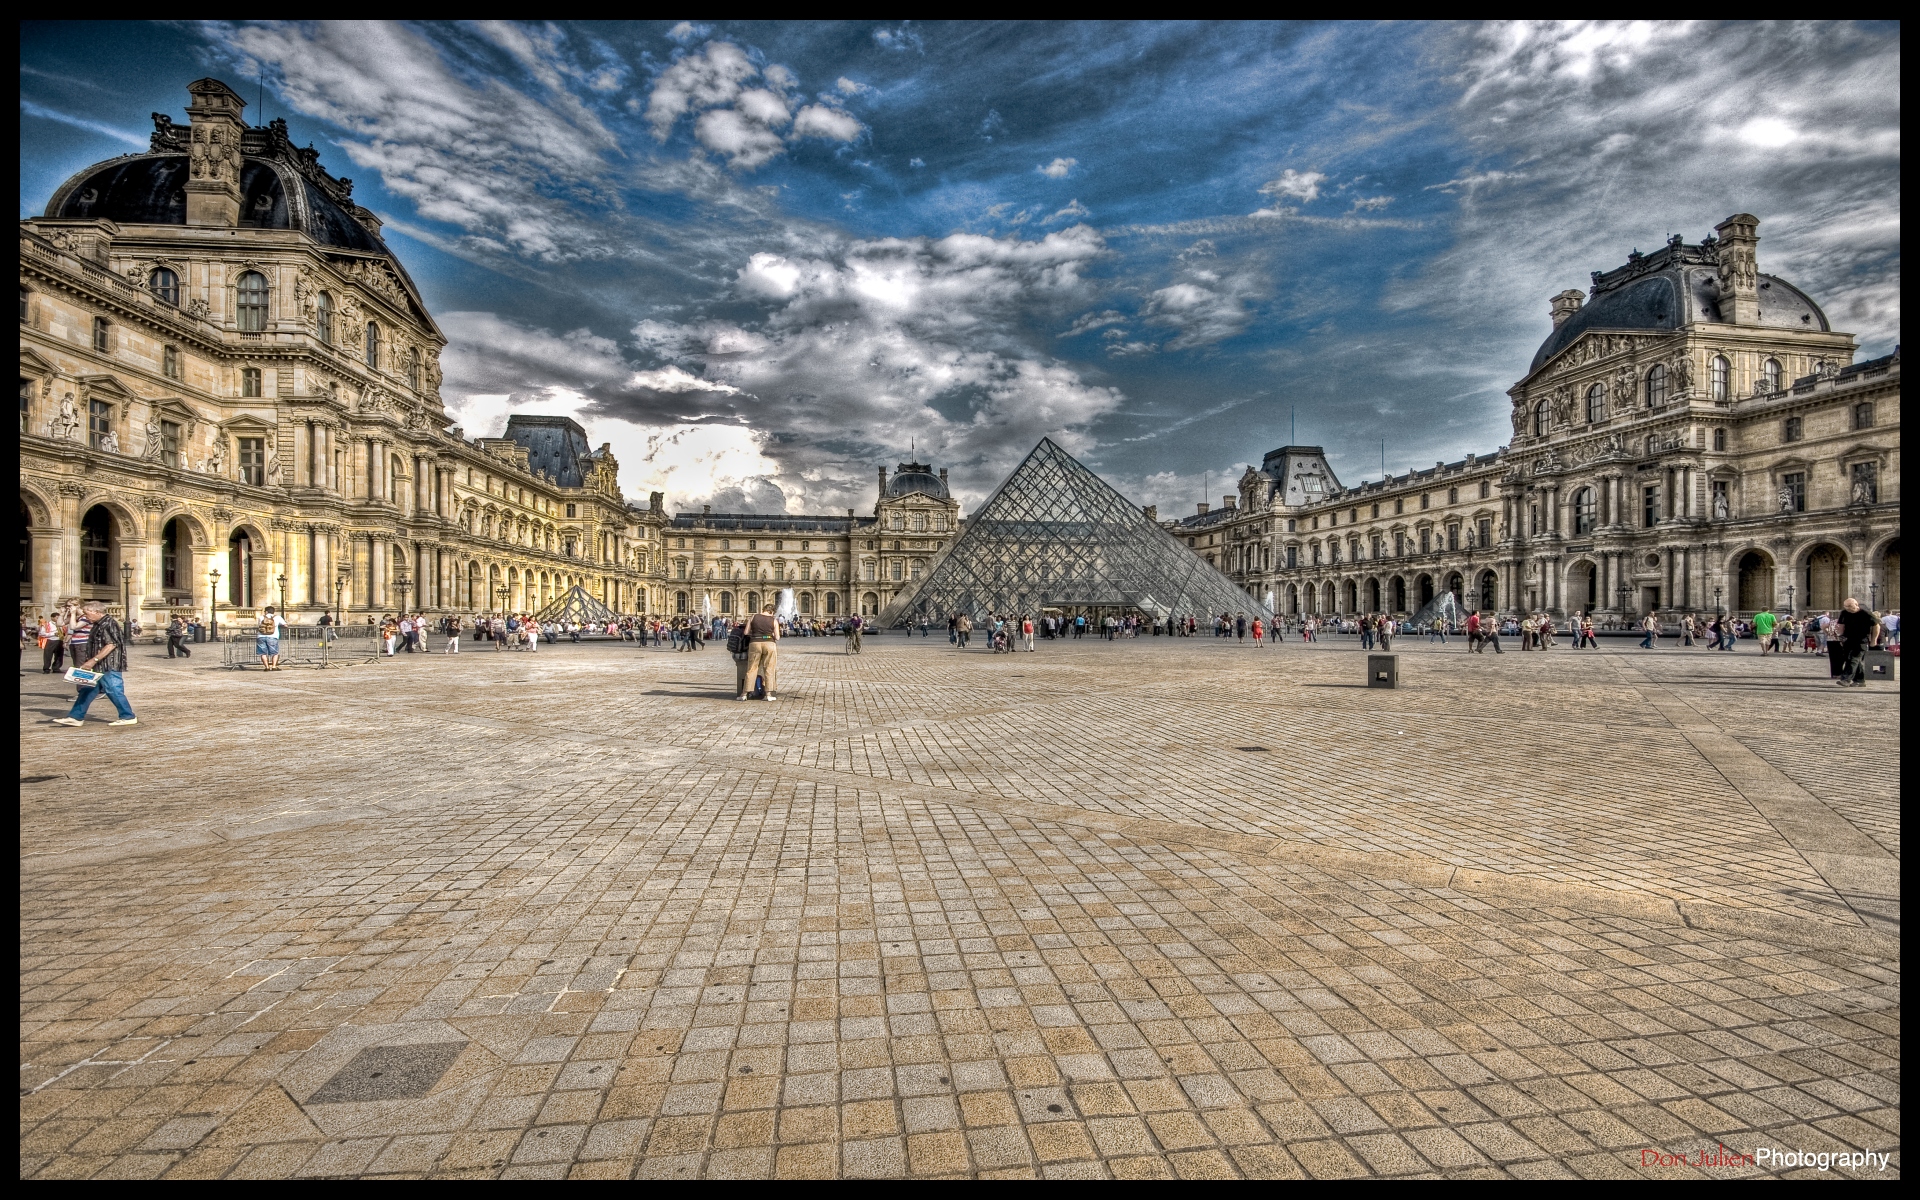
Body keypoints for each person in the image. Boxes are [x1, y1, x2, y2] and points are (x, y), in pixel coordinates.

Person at [52, 600, 136, 726]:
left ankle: (128, 716)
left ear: (96, 612)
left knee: (113, 690)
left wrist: (93, 660)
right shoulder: (97, 623)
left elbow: (111, 644)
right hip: (98, 664)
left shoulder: (108, 623)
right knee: (87, 690)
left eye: (87, 613)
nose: (85, 616)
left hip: (109, 663)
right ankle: (76, 717)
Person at [738, 602, 780, 702]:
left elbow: (746, 632)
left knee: (752, 668)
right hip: (769, 644)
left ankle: (744, 694)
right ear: (772, 611)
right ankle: (768, 695)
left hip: (755, 643)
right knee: (769, 668)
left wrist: (756, 633)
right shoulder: (773, 620)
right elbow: (777, 637)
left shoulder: (753, 617)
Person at [1835, 597, 1877, 687]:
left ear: (1856, 604)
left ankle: (1846, 679)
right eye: (1845, 606)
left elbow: (1876, 626)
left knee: (1853, 659)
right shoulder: (1844, 613)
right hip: (1848, 639)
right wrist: (1840, 636)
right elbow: (1841, 625)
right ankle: (1860, 680)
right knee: (1852, 660)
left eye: (1849, 606)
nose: (1847, 608)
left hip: (1861, 640)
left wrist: (1874, 640)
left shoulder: (1866, 614)